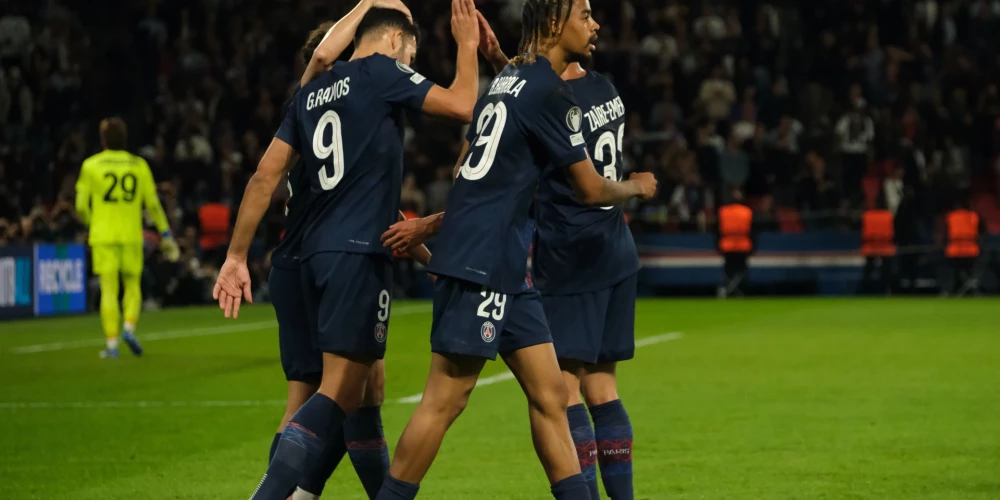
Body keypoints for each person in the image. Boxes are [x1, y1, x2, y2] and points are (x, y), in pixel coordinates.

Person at [374, 1, 656, 498]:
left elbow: (472, 169)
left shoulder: (507, 82)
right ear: (554, 23)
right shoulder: (550, 93)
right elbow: (591, 189)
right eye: (584, 14)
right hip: (485, 261)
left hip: (508, 265)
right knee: (445, 400)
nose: (594, 24)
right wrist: (636, 186)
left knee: (551, 396)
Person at [213, 2, 481, 498]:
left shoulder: (310, 93)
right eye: (411, 55)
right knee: (339, 393)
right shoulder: (381, 72)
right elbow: (464, 105)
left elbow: (265, 176)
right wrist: (467, 44)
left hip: (306, 255)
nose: (410, 64)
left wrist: (235, 257)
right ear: (396, 40)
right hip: (354, 256)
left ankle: (301, 494)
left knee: (346, 393)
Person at [469, 12, 638, 499]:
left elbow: (534, 106)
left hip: (571, 256)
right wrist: (501, 60)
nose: (597, 24)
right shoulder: (604, 88)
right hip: (616, 249)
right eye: (587, 14)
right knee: (603, 388)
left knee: (562, 392)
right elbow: (539, 94)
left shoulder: (553, 99)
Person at [74, 117, 179, 359]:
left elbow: (80, 205)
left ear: (103, 139)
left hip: (103, 235)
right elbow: (153, 204)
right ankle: (129, 328)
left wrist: (92, 222)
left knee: (109, 289)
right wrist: (165, 233)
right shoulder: (138, 165)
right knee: (132, 285)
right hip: (131, 234)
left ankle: (112, 345)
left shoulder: (91, 165)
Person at [944, 198, 986, 296]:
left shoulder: (951, 216)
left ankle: (954, 290)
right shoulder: (974, 216)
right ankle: (969, 290)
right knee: (969, 272)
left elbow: (946, 233)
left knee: (955, 272)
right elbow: (981, 234)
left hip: (954, 251)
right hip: (971, 251)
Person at [716, 189, 753, 298]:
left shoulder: (723, 211)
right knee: (741, 270)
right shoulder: (747, 211)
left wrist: (718, 245)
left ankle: (728, 289)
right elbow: (752, 231)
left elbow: (717, 230)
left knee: (729, 271)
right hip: (742, 246)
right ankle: (732, 290)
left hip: (727, 246)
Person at [859, 198, 896, 294]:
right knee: (885, 270)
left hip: (873, 247)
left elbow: (864, 235)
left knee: (869, 269)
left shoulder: (868, 215)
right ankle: (886, 290)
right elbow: (891, 234)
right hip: (884, 247)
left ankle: (865, 290)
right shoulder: (888, 216)